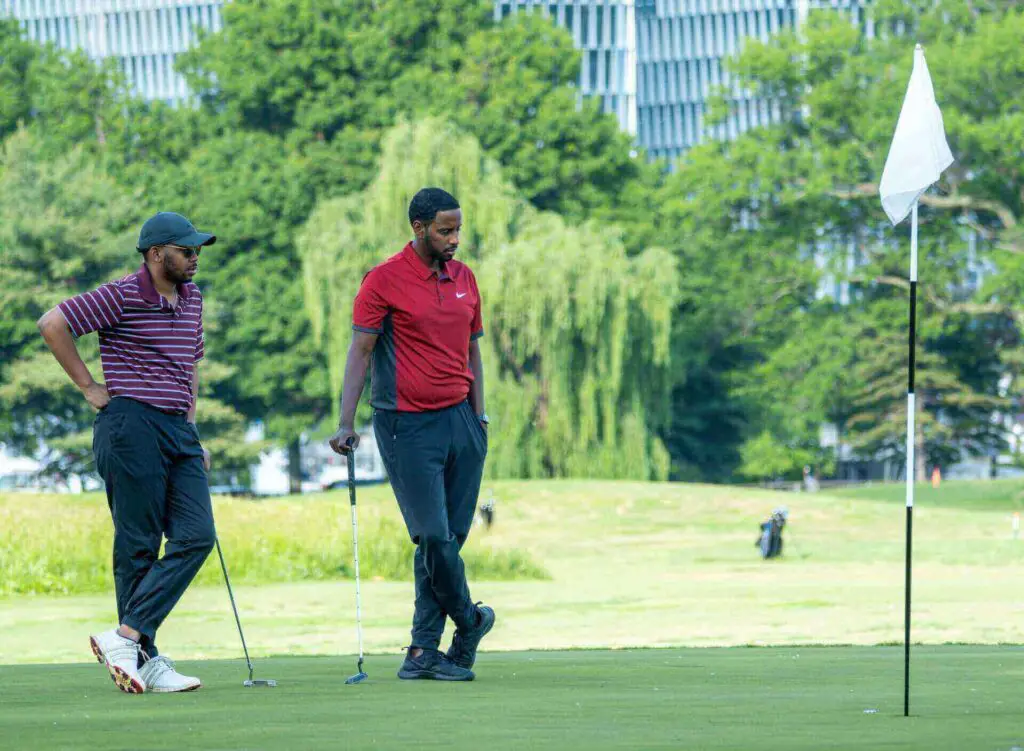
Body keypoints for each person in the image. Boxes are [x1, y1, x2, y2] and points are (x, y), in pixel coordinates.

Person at [37, 212, 217, 694]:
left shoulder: (193, 298)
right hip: (130, 423)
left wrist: (192, 430)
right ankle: (144, 657)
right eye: (186, 250)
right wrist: (88, 386)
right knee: (138, 543)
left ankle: (126, 638)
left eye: (197, 250)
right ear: (157, 254)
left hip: (178, 429)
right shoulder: (121, 294)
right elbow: (53, 323)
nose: (195, 257)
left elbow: (190, 365)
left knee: (197, 536)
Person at [329, 187, 495, 682]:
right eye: (446, 230)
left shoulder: (465, 278)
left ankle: (422, 653)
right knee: (434, 538)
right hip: (406, 425)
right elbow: (360, 353)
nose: (455, 239)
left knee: (450, 539)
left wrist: (480, 418)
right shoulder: (383, 280)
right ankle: (470, 622)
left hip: (462, 423)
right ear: (419, 228)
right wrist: (345, 422)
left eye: (458, 229)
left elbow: (473, 352)